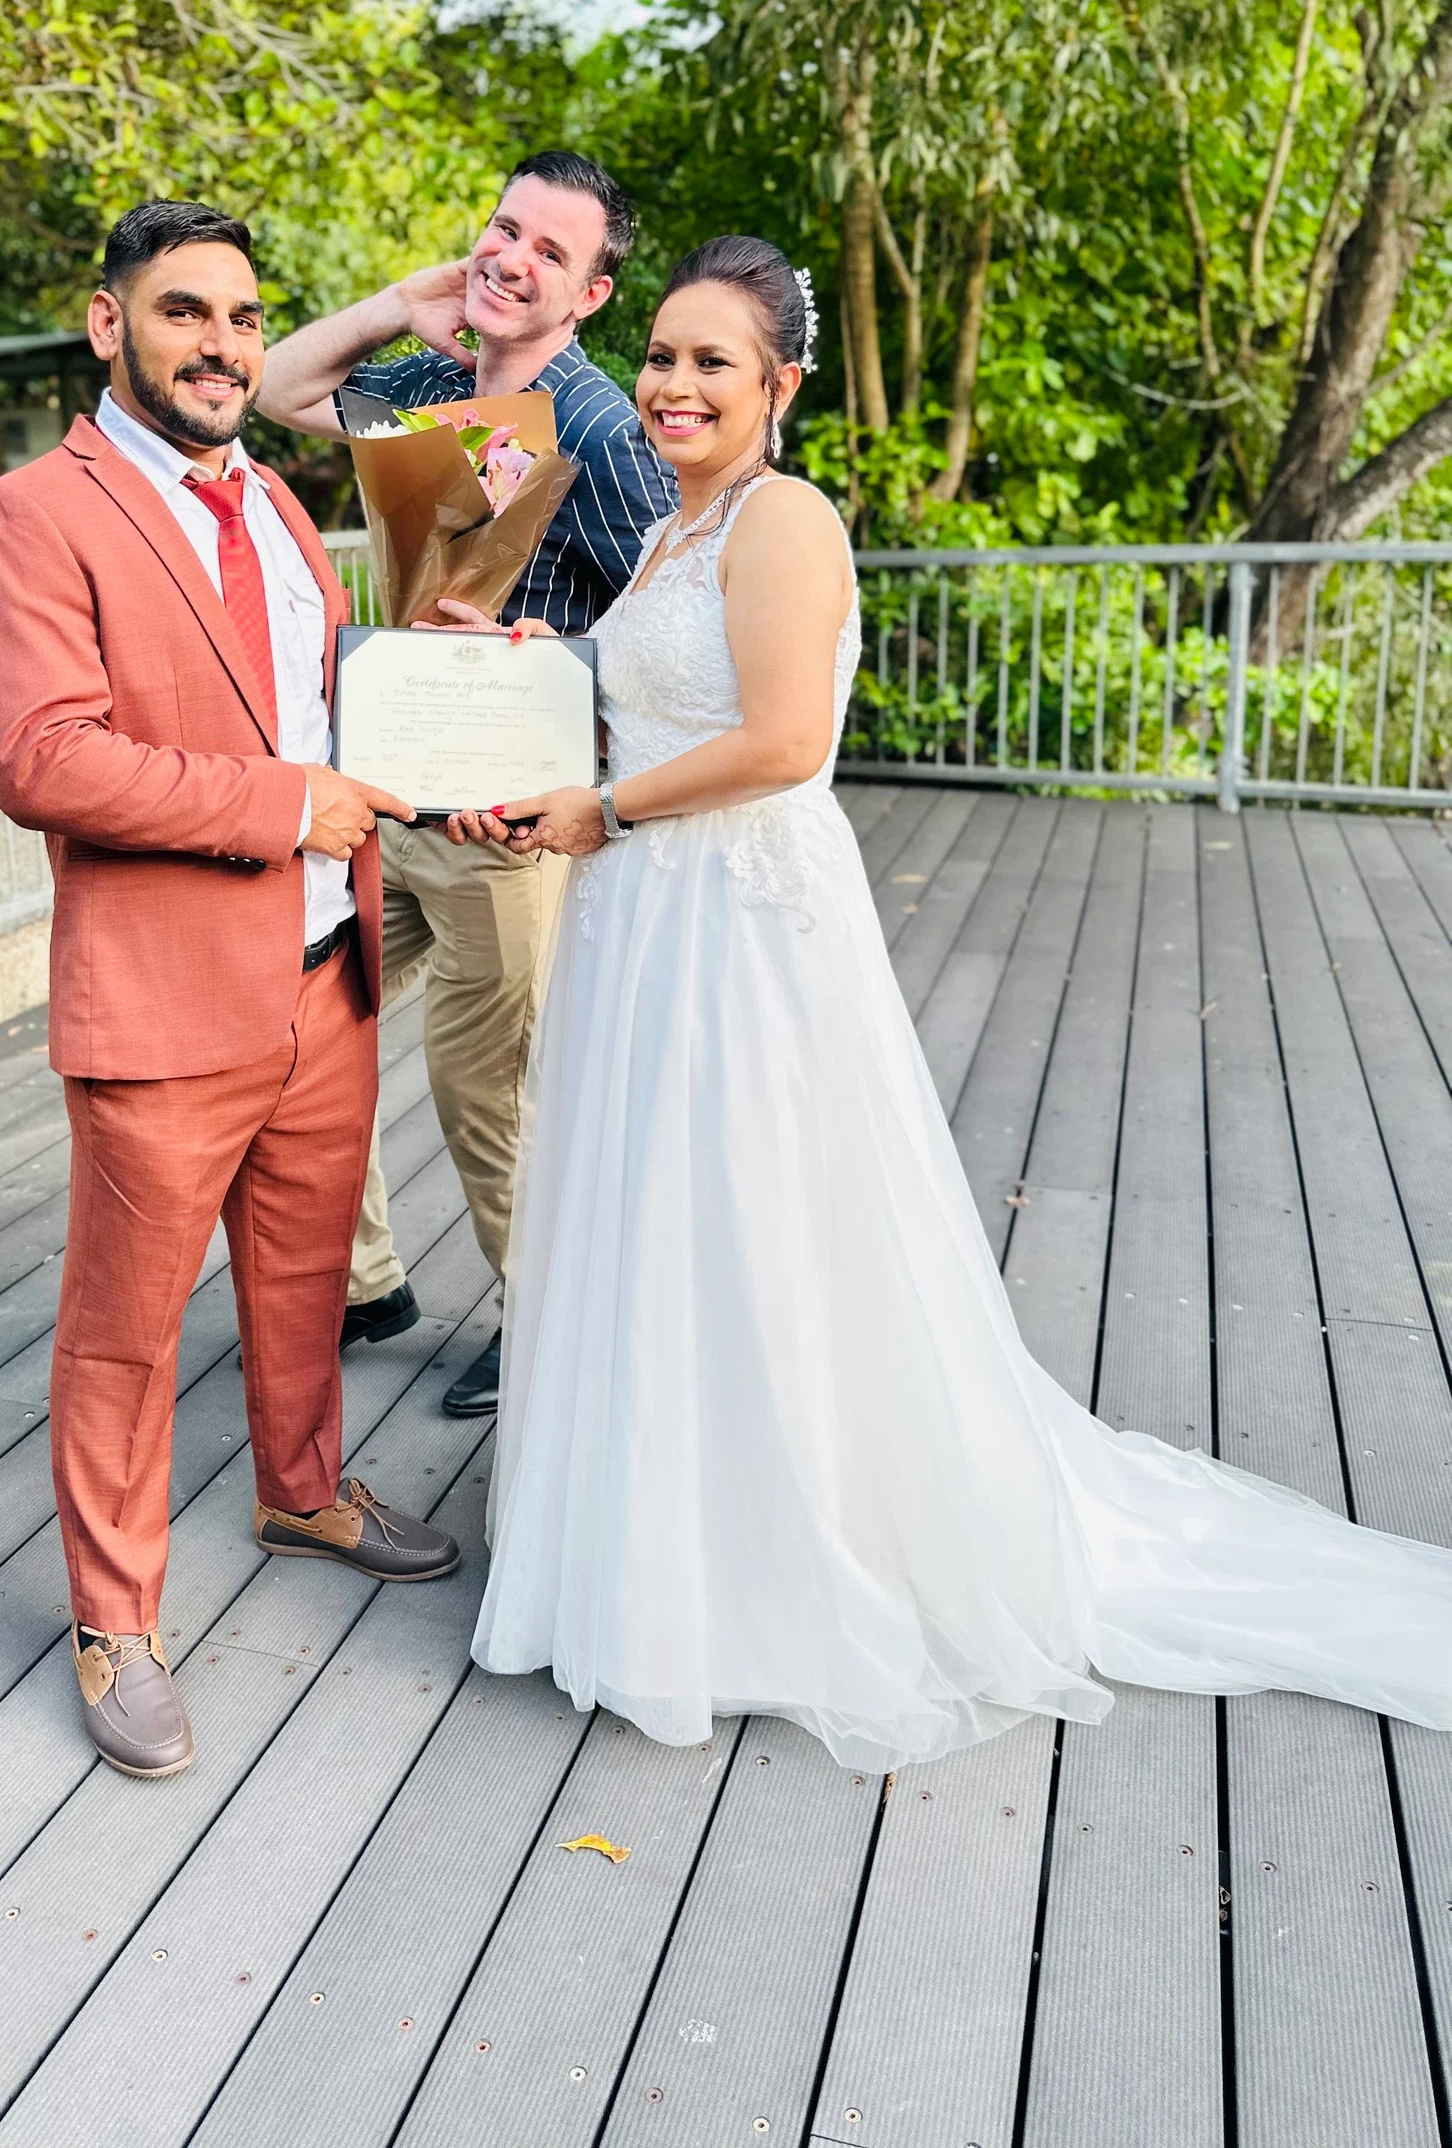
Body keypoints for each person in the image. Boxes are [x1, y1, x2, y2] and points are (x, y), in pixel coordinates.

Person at [460, 233, 1452, 1770]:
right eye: (660, 355)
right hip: (643, 912)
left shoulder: (784, 520)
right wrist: (543, 668)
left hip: (736, 922)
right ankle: (659, 1536)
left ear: (782, 385)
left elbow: (786, 742)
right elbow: (652, 697)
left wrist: (603, 808)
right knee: (657, 1208)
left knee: (754, 1211)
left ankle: (774, 1560)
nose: (673, 382)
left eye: (713, 360)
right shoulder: (666, 530)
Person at [0, 200, 460, 1784]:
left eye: (244, 318)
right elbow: (42, 758)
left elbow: (313, 711)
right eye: (185, 312)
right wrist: (284, 805)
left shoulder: (280, 506)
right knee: (127, 1330)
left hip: (325, 972)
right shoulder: (31, 514)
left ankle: (302, 1492)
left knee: (304, 1276)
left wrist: (450, 706)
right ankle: (114, 1618)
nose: (223, 345)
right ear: (110, 324)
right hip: (167, 998)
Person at [260, 150, 676, 1418]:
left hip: (505, 822)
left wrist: (553, 665)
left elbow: (669, 624)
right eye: (505, 228)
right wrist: (402, 302)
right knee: (291, 1026)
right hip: (383, 790)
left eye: (552, 251)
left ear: (592, 295)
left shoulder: (601, 429)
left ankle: (546, 1321)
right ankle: (366, 1281)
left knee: (484, 1085)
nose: (513, 258)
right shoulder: (428, 382)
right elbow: (280, 386)